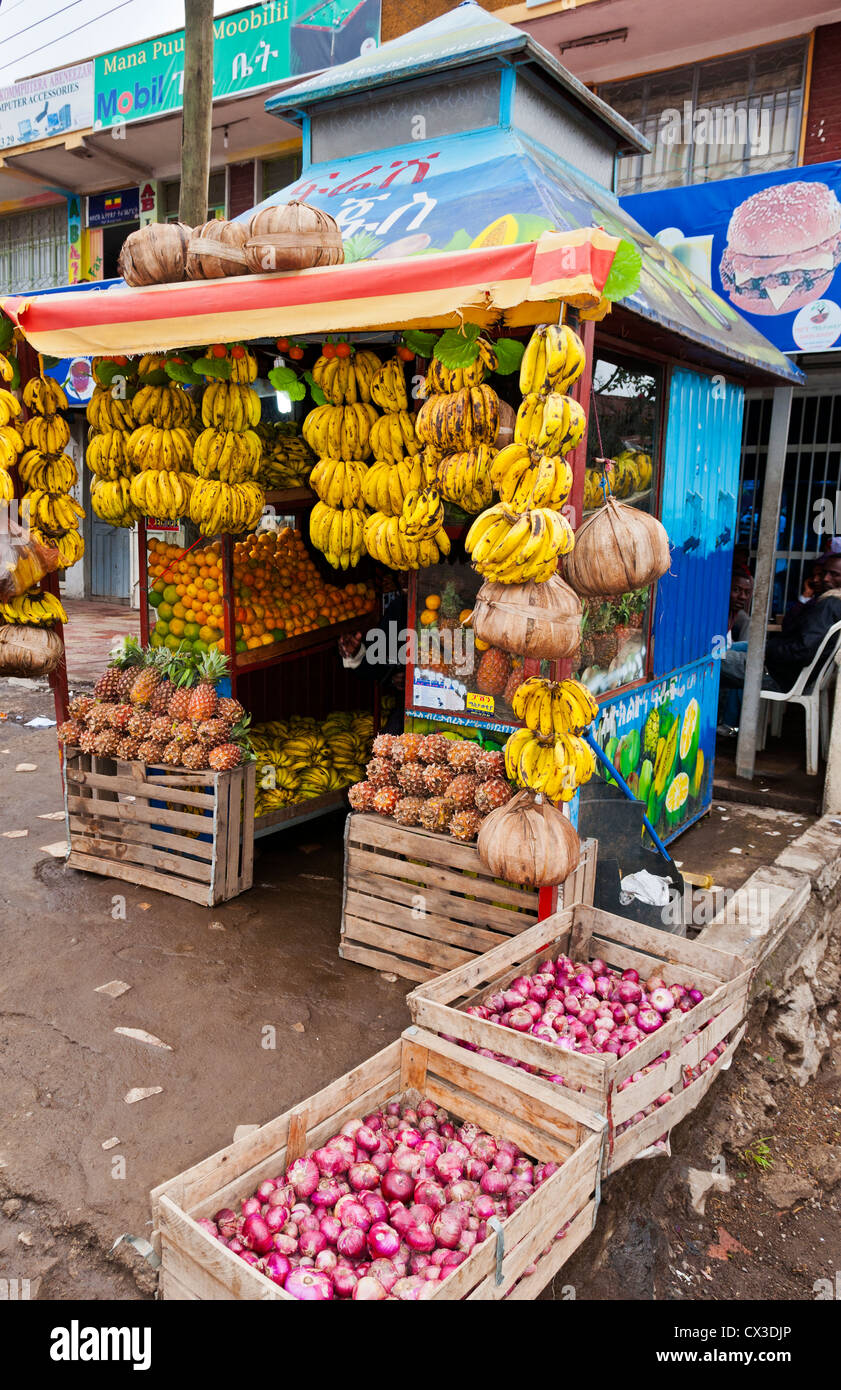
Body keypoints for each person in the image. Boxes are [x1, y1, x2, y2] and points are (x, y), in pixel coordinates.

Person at [719, 553, 841, 729]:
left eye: (834, 574)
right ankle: (725, 723)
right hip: (785, 670)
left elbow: (802, 650)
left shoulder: (829, 604)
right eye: (825, 573)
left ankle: (725, 725)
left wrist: (770, 651)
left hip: (776, 674)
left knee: (710, 660)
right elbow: (790, 626)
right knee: (729, 649)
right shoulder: (829, 601)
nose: (825, 578)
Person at [729, 567, 753, 642]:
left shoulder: (736, 615)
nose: (743, 597)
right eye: (736, 590)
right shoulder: (713, 617)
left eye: (747, 592)